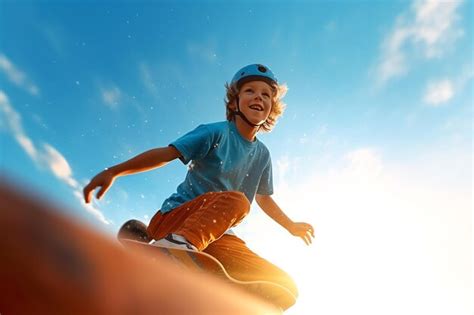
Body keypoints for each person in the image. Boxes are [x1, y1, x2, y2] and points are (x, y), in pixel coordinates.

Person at [83, 64, 315, 310]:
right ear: (235, 103)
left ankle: (217, 297)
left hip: (217, 236)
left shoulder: (262, 155)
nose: (258, 96)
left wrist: (290, 225)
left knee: (283, 288)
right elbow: (166, 154)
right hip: (176, 219)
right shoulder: (216, 132)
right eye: (250, 91)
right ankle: (172, 248)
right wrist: (114, 171)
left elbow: (264, 198)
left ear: (272, 109)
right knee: (237, 202)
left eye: (266, 94)